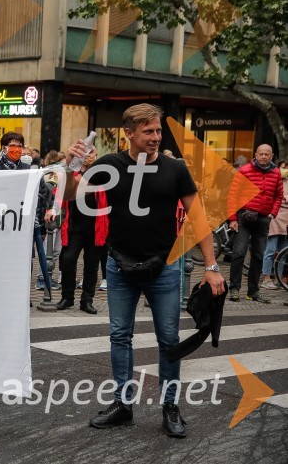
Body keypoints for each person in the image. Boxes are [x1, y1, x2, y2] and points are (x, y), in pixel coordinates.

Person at [64, 103, 224, 438]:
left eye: (158, 131)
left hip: (165, 267)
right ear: (130, 133)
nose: (155, 137)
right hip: (119, 266)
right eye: (148, 131)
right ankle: (122, 405)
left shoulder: (175, 169)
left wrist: (211, 267)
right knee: (120, 336)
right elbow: (73, 196)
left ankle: (170, 406)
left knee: (168, 338)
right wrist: (70, 168)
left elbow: (198, 219)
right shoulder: (109, 165)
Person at [0, 132, 53, 293]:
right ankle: (0, 291)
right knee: (0, 259)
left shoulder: (29, 170)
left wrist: (42, 226)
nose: (17, 149)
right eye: (13, 146)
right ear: (4, 148)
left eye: (19, 146)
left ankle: (22, 294)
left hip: (25, 225)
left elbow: (42, 196)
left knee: (24, 261)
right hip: (0, 224)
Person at [55, 148, 108, 314]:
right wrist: (53, 210)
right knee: (68, 260)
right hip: (74, 226)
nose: (89, 157)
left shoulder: (102, 174)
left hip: (96, 227)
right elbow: (60, 193)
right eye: (86, 154)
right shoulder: (73, 173)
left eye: (92, 154)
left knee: (92, 265)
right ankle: (67, 297)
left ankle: (87, 300)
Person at [226, 144, 282, 303]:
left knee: (258, 255)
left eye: (267, 154)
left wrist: (273, 213)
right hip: (245, 217)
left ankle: (253, 292)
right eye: (261, 154)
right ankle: (234, 289)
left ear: (272, 156)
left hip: (264, 218)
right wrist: (233, 219)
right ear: (255, 155)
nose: (264, 157)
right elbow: (233, 196)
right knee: (238, 253)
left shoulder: (276, 173)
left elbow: (279, 196)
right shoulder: (244, 171)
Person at [262, 160, 288, 290]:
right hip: (275, 217)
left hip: (286, 219)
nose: (285, 170)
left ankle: (278, 277)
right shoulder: (274, 179)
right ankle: (266, 277)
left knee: (283, 250)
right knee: (270, 249)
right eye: (283, 167)